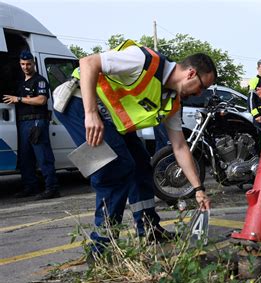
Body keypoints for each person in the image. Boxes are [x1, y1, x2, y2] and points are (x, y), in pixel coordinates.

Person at [54, 40, 215, 252]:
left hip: (112, 120)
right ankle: (102, 245)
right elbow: (87, 63)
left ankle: (149, 229)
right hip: (78, 102)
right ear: (191, 73)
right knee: (116, 168)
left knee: (140, 166)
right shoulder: (145, 60)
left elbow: (180, 147)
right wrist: (91, 113)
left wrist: (198, 189)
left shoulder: (172, 101)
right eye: (201, 88)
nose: (198, 94)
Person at [2, 51, 60, 200]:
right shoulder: (21, 83)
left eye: (28, 64)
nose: (25, 67)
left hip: (36, 122)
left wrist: (20, 99)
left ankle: (52, 188)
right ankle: (30, 187)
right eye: (22, 64)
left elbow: (41, 100)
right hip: (22, 122)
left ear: (34, 63)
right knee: (25, 158)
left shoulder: (39, 81)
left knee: (43, 156)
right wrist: (24, 98)